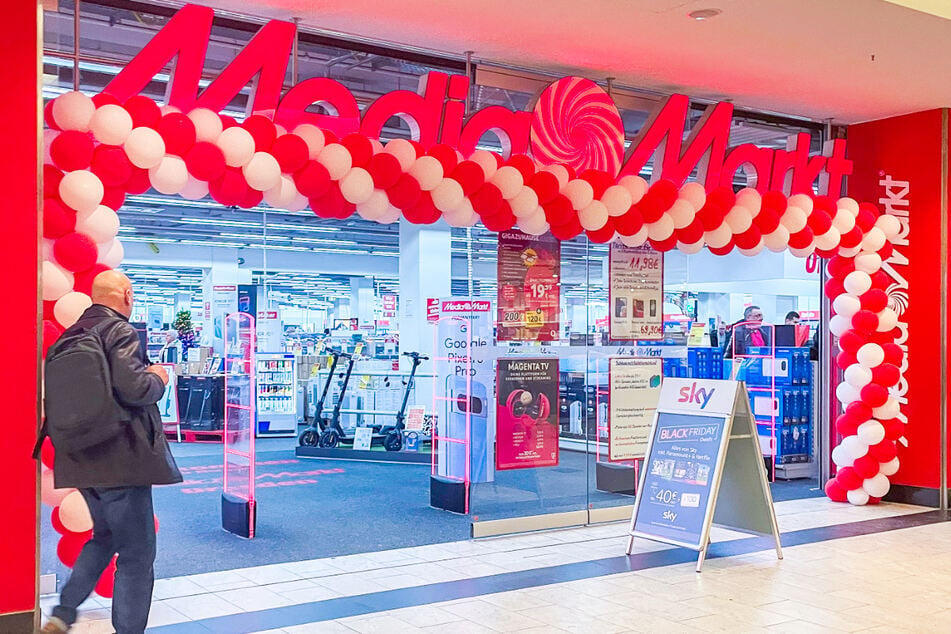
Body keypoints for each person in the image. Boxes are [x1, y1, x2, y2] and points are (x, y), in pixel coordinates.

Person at [43, 271, 183, 634]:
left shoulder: (69, 336)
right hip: (120, 457)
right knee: (137, 554)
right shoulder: (119, 331)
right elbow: (136, 390)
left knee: (104, 537)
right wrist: (159, 378)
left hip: (78, 457)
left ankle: (62, 614)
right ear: (126, 294)